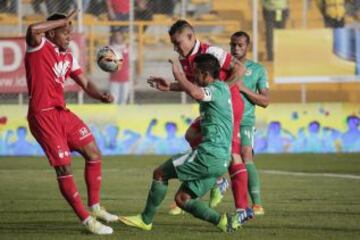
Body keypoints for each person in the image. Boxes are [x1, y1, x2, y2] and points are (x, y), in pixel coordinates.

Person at [119, 54, 241, 232]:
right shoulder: (220, 88)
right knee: (183, 199)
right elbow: (195, 90)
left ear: (206, 75)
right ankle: (223, 221)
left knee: (160, 173)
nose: (194, 77)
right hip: (221, 160)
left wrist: (179, 74)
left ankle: (145, 220)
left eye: (196, 73)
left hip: (209, 155)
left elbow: (195, 91)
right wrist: (170, 86)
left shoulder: (215, 89)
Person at [149, 20, 253, 224]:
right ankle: (217, 178)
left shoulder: (210, 51)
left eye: (178, 43)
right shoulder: (187, 59)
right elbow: (191, 86)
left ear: (190, 37)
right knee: (191, 135)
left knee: (233, 154)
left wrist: (222, 90)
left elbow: (239, 68)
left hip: (228, 106)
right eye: (173, 44)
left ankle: (243, 208)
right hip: (214, 108)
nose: (176, 48)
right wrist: (169, 86)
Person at [25, 11, 118, 235]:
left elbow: (85, 82)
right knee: (64, 167)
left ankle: (95, 207)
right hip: (43, 115)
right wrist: (61, 20)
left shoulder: (67, 56)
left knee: (94, 153)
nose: (69, 36)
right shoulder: (37, 46)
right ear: (51, 31)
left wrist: (100, 95)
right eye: (65, 32)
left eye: (70, 32)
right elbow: (32, 30)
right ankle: (87, 221)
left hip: (62, 113)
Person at [230, 31, 269, 215]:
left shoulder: (258, 70)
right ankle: (184, 199)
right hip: (225, 120)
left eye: (240, 45)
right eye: (233, 45)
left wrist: (243, 88)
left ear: (248, 47)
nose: (236, 48)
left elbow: (265, 100)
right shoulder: (223, 67)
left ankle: (257, 203)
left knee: (246, 154)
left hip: (245, 121)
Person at [109, 30, 130, 104]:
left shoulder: (127, 48)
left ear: (122, 37)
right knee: (114, 100)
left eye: (119, 35)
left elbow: (133, 62)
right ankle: (114, 115)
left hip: (125, 79)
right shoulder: (110, 48)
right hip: (114, 79)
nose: (118, 37)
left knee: (123, 100)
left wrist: (135, 75)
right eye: (116, 35)